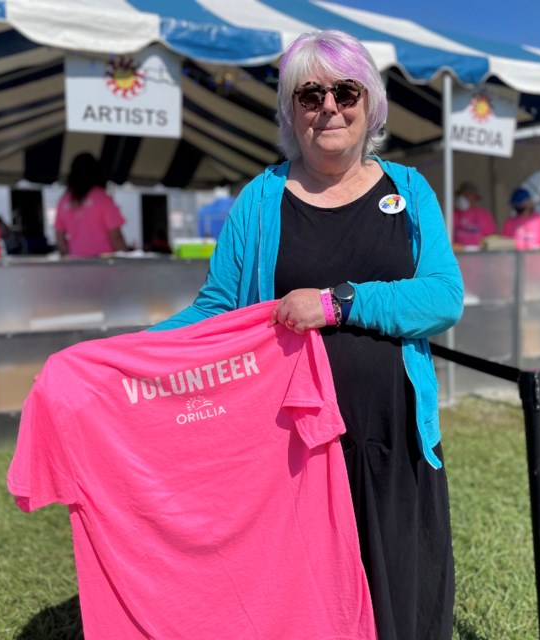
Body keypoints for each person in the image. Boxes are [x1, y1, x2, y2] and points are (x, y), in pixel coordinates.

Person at [150, 29, 463, 640]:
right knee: (305, 605)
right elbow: (215, 308)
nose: (329, 107)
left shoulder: (410, 190)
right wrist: (127, 353)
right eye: (309, 94)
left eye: (345, 91)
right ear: (290, 110)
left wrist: (336, 303)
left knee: (400, 599)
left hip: (392, 444)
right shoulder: (260, 201)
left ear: (369, 101)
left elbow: (443, 297)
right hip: (292, 449)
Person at [54, 153, 129, 257]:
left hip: (77, 266)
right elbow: (116, 237)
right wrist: (126, 260)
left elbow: (59, 237)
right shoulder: (103, 198)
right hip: (103, 265)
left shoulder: (64, 201)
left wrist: (70, 257)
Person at [452, 180, 497, 248]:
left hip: (479, 256)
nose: (462, 198)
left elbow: (492, 239)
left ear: (474, 197)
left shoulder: (484, 215)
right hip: (458, 256)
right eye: (460, 195)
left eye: (466, 195)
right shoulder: (452, 214)